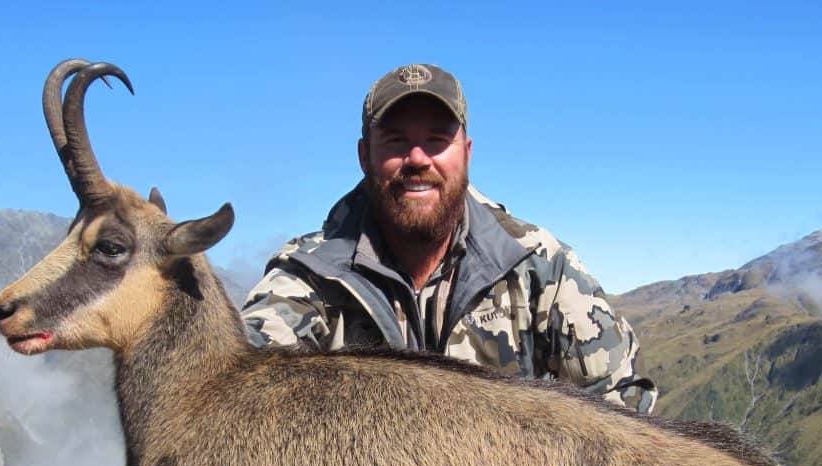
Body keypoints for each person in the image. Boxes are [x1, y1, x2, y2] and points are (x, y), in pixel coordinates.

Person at [241, 64, 656, 413]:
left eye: (436, 140)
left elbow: (623, 412)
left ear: (467, 153)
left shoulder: (537, 264)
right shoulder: (308, 274)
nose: (418, 159)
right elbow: (242, 389)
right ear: (365, 155)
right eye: (397, 141)